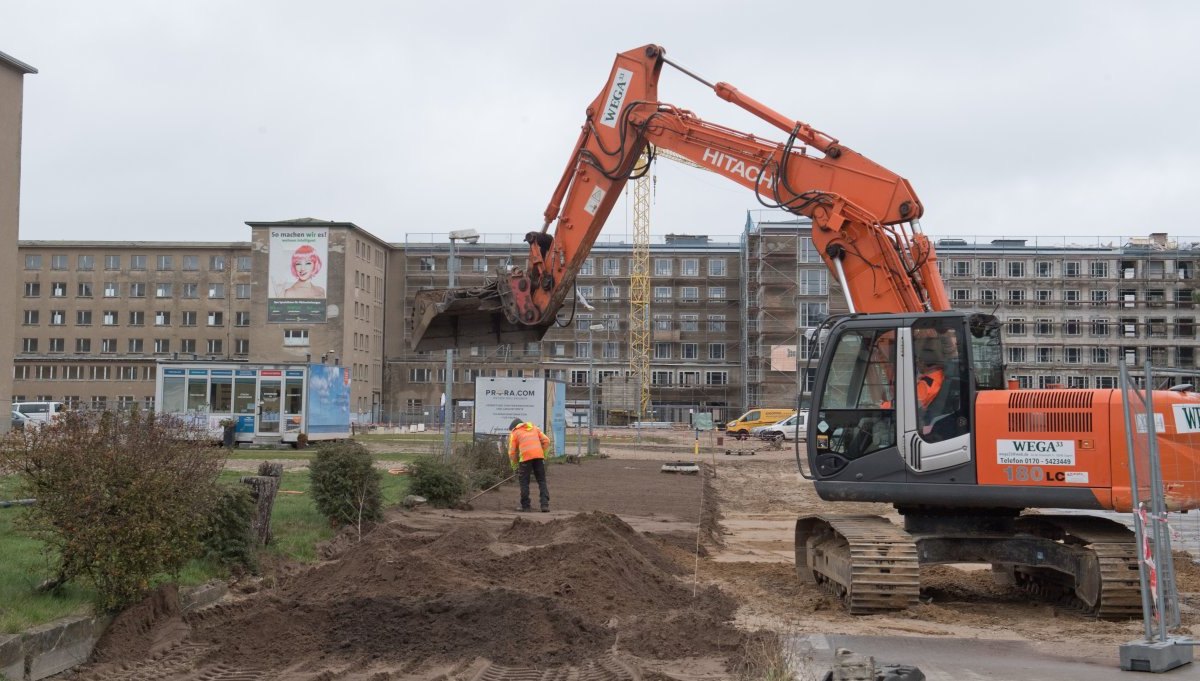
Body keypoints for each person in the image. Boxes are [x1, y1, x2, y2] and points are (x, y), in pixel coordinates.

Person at [508, 417, 551, 512]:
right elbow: (547, 441)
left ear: (514, 427)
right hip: (538, 457)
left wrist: (515, 467)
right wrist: (543, 455)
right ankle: (544, 505)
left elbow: (512, 452)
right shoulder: (534, 428)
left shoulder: (515, 433)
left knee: (524, 482)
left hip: (525, 459)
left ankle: (526, 506)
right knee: (541, 481)